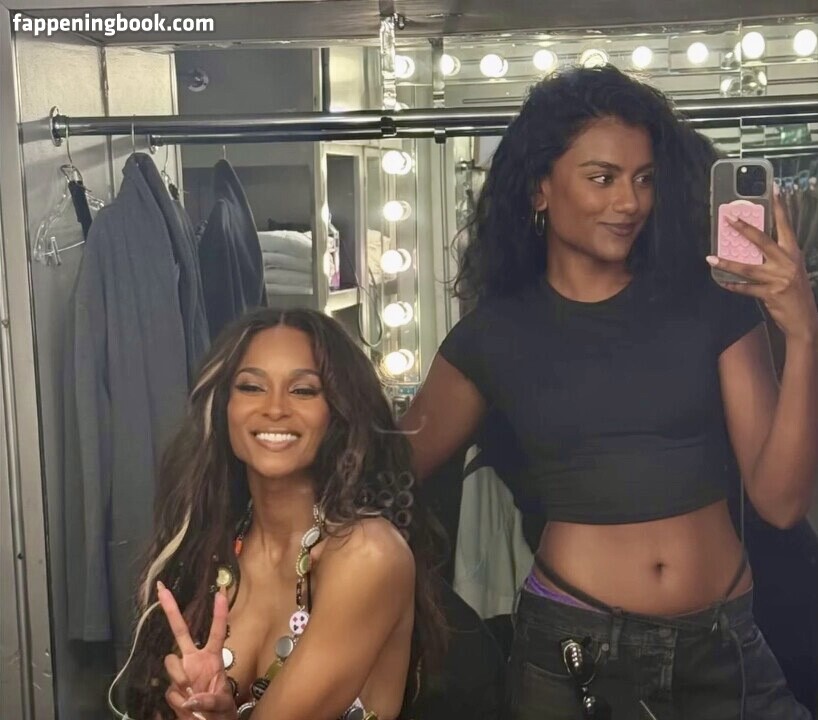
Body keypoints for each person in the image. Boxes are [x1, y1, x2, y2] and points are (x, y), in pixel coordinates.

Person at [400, 65, 818, 719]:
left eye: (644, 179)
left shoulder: (714, 305)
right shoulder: (493, 336)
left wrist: (804, 331)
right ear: (540, 188)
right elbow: (383, 475)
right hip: (576, 653)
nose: (630, 203)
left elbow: (781, 501)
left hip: (723, 646)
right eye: (603, 178)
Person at [117, 308, 445, 720]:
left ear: (338, 410)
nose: (274, 408)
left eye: (303, 391)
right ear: (224, 407)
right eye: (251, 387)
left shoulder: (368, 555)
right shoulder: (212, 542)